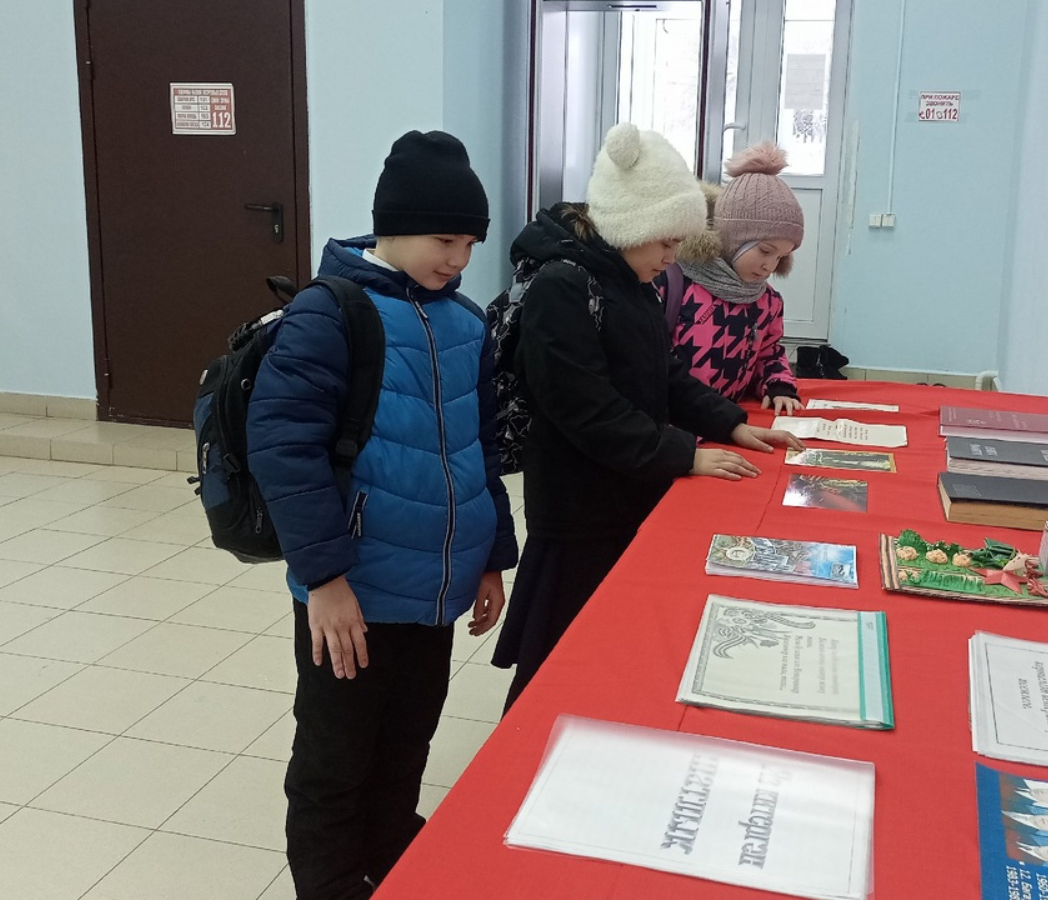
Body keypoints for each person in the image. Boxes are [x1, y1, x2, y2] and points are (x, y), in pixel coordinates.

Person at [246, 130, 517, 900]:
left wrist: (491, 556)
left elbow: (480, 446)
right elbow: (284, 450)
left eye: (470, 244)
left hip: (434, 589)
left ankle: (393, 848)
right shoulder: (330, 313)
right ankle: (331, 882)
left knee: (406, 742)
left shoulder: (466, 323)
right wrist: (324, 579)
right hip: (352, 592)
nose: (458, 259)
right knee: (335, 758)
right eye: (444, 241)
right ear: (392, 227)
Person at [491, 123, 802, 711]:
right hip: (579, 510)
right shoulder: (563, 287)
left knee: (612, 648)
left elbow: (666, 375)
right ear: (629, 224)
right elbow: (587, 408)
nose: (673, 256)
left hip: (628, 488)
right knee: (557, 656)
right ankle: (526, 746)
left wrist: (730, 422)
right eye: (664, 240)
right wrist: (683, 454)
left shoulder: (635, 281)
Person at [665, 142, 804, 415]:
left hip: (729, 417)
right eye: (765, 250)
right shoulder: (676, 286)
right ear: (732, 238)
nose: (769, 266)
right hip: (679, 417)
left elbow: (769, 353)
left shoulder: (767, 302)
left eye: (780, 257)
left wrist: (779, 386)